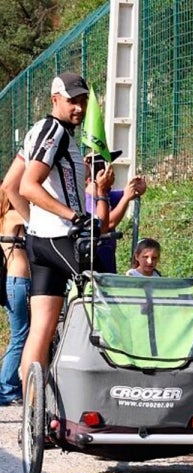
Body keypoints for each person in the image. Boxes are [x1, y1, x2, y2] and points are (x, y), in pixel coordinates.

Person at [17, 71, 100, 386]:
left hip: (41, 239)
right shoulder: (54, 131)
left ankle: (32, 416)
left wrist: (34, 223)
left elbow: (11, 184)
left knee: (41, 330)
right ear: (55, 100)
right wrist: (74, 216)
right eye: (71, 101)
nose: (78, 108)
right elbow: (27, 185)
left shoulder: (42, 131)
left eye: (82, 101)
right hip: (59, 237)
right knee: (107, 298)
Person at [84, 150, 147, 273]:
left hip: (108, 257)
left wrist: (137, 187)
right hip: (95, 258)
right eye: (102, 165)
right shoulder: (88, 198)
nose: (110, 171)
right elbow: (107, 223)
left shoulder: (108, 195)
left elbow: (129, 192)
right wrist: (125, 199)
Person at [0, 189, 29, 406]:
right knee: (19, 335)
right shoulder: (11, 217)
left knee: (22, 334)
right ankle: (7, 388)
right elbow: (36, 215)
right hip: (18, 280)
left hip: (19, 281)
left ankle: (9, 385)